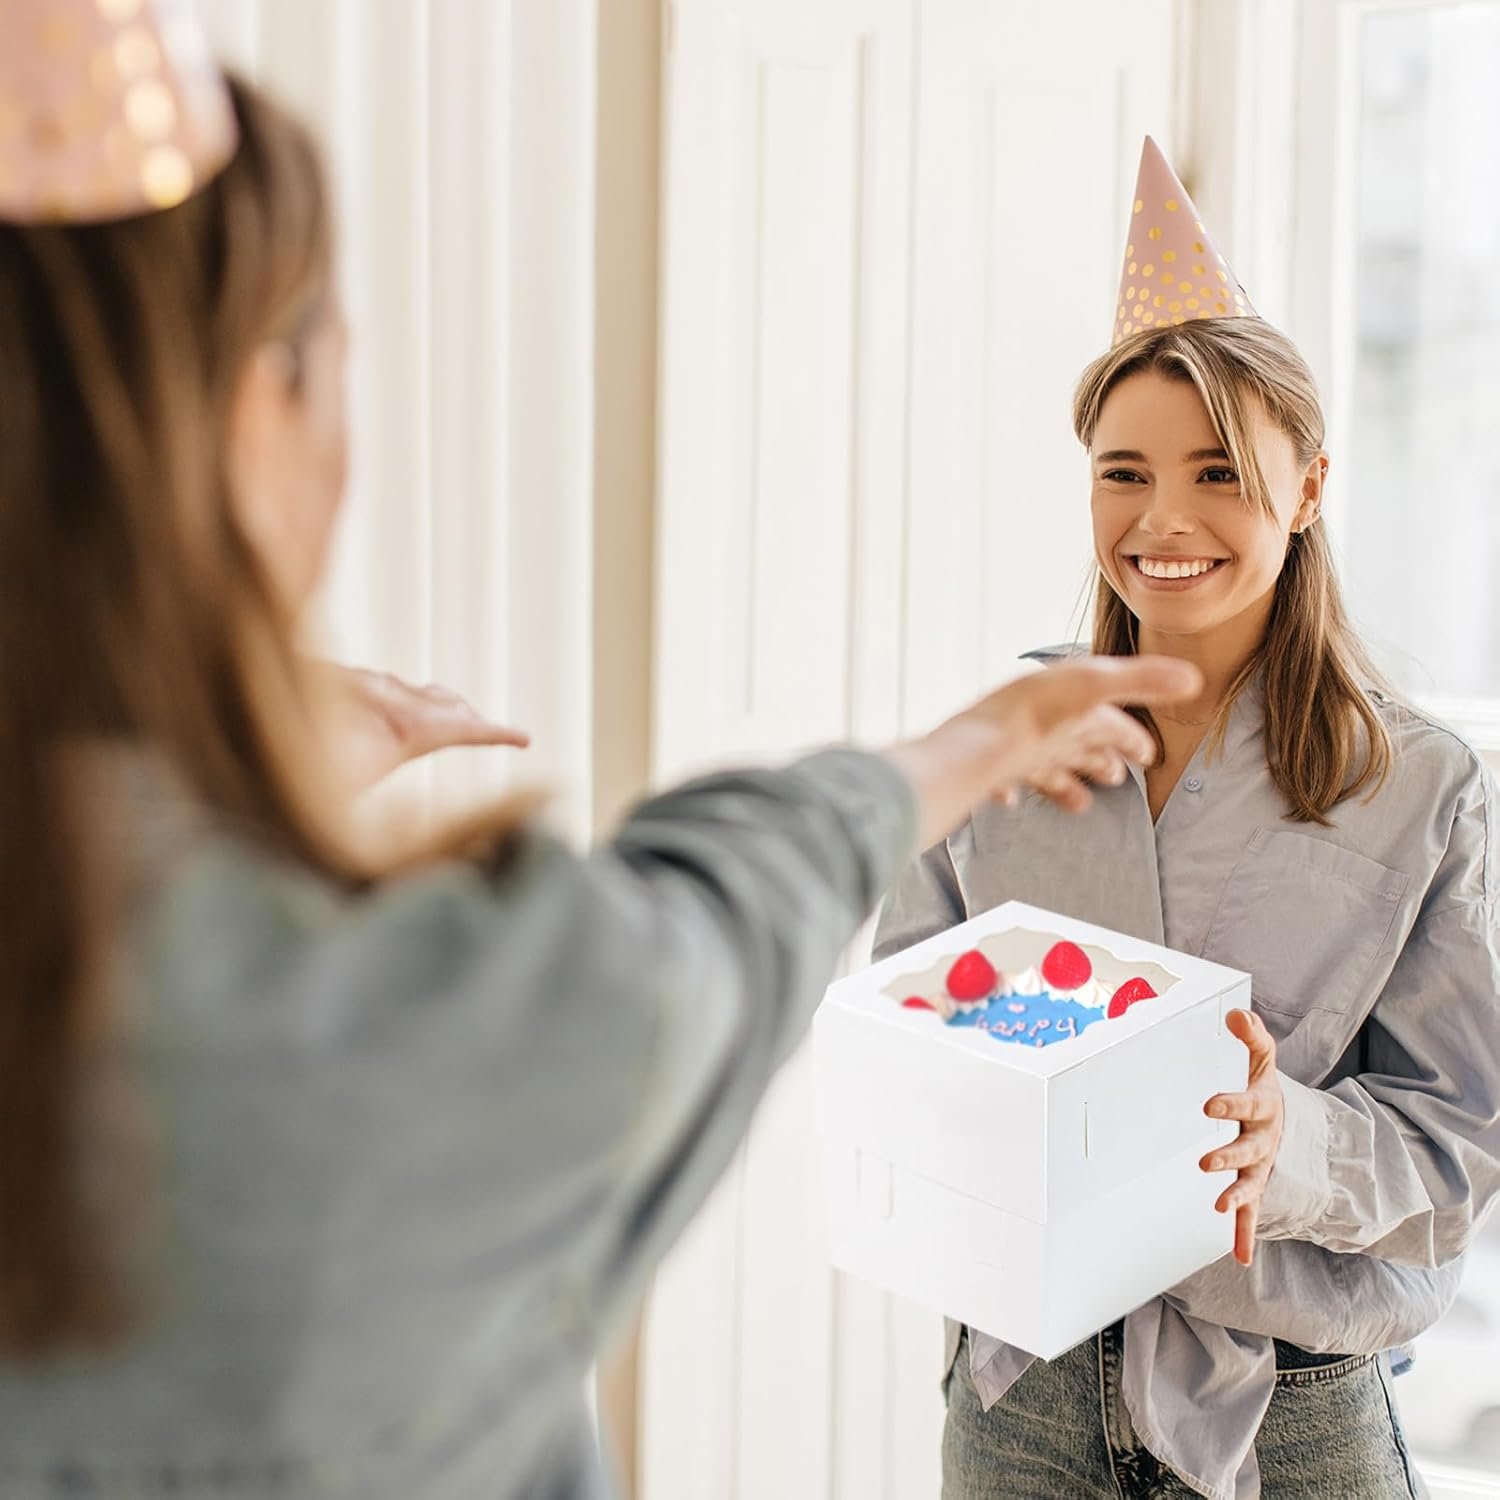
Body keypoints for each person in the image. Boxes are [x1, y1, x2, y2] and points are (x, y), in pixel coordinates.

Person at [0, 13, 1202, 1499]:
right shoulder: (414, 1041)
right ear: (255, 417)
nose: (1166, 520)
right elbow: (695, 932)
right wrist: (960, 752)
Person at [876, 137, 1500, 1500]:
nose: (1166, 518)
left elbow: (1465, 1141)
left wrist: (1294, 1140)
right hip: (1022, 1394)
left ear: (1311, 488)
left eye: (1220, 472)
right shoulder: (1007, 744)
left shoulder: (1419, 784)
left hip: (1297, 1414)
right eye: (1124, 471)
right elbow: (907, 1027)